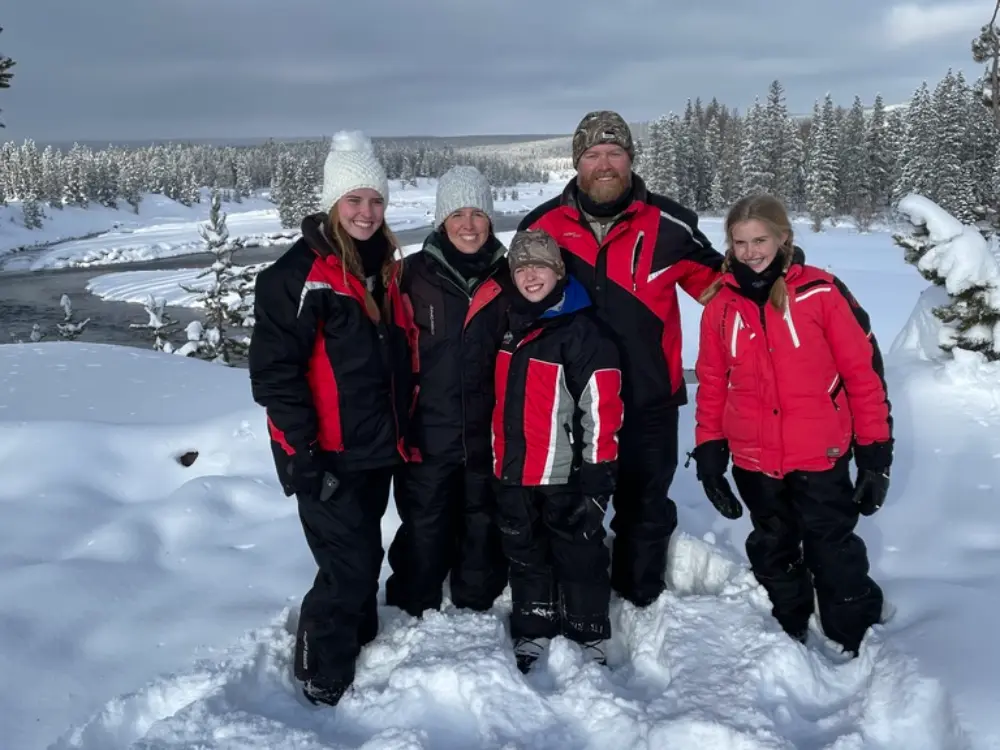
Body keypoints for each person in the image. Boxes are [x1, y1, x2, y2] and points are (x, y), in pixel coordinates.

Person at [519, 110, 723, 608]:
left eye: (615, 153)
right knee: (566, 506)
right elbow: (514, 308)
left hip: (648, 400)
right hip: (566, 407)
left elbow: (724, 293)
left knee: (645, 508)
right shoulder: (543, 226)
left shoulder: (669, 225)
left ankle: (638, 600)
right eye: (593, 154)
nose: (604, 164)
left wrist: (784, 281)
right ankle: (574, 601)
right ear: (577, 162)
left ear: (630, 159)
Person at [248, 130, 418, 707]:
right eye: (354, 201)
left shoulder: (382, 271)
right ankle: (322, 674)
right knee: (345, 566)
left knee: (364, 551)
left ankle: (357, 631)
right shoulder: (297, 278)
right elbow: (276, 378)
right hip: (326, 452)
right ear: (332, 205)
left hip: (374, 447)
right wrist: (302, 454)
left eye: (375, 201)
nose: (366, 213)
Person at [690, 193, 892, 656]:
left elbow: (863, 376)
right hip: (753, 457)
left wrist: (876, 455)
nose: (750, 252)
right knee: (773, 545)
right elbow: (712, 383)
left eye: (760, 240)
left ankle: (855, 634)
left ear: (784, 238)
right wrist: (708, 452)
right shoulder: (721, 305)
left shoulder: (821, 293)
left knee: (832, 548)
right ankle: (786, 630)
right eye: (739, 242)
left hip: (818, 453)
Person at [492, 229, 625, 672]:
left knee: (580, 554)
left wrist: (598, 475)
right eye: (522, 267)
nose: (531, 275)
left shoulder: (582, 332)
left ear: (559, 271)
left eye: (541, 266)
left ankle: (588, 630)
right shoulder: (509, 325)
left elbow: (602, 407)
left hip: (564, 474)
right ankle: (534, 627)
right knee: (525, 554)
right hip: (514, 471)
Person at [385, 165, 510, 617]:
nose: (469, 224)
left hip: (488, 433)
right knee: (423, 524)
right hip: (426, 433)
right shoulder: (408, 276)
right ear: (441, 219)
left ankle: (478, 603)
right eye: (458, 212)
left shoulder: (511, 276)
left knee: (482, 522)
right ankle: (410, 606)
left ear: (491, 220)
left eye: (478, 212)